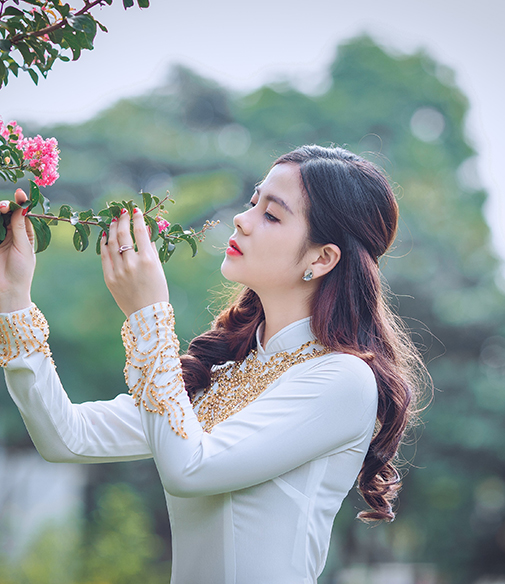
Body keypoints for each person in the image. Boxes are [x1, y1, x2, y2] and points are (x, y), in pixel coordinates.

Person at [0, 145, 424, 584]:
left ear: (322, 258)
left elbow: (191, 468)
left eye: (272, 215)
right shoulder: (224, 373)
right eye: (253, 202)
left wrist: (149, 318)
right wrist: (13, 299)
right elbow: (67, 438)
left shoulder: (341, 379)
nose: (243, 219)